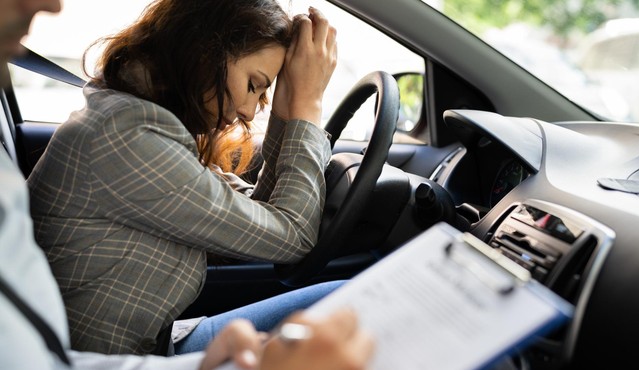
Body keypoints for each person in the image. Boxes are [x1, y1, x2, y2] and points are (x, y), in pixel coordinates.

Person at [1, 2, 373, 369]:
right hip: (115, 360)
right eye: (253, 85)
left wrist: (284, 112)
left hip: (155, 344)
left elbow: (258, 220)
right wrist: (308, 106)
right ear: (205, 51)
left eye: (262, 93)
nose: (248, 111)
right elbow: (292, 235)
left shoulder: (141, 119)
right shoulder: (130, 139)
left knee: (348, 302)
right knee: (355, 305)